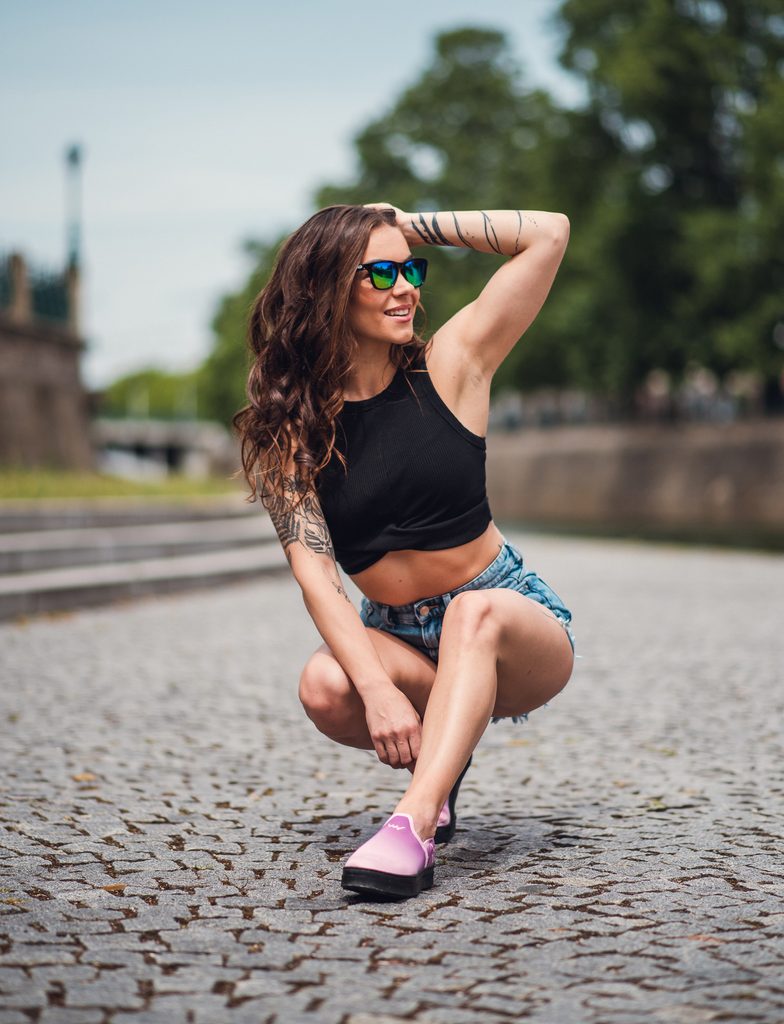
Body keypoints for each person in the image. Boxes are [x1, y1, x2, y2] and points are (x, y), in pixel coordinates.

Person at [233, 202, 576, 899]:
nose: (406, 288)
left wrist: (401, 224)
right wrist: (378, 690)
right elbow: (317, 576)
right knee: (325, 686)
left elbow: (549, 233)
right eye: (380, 273)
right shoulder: (292, 429)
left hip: (507, 619)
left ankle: (414, 823)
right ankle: (446, 752)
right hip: (397, 635)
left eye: (410, 270)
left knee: (473, 613)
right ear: (327, 286)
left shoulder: (453, 363)